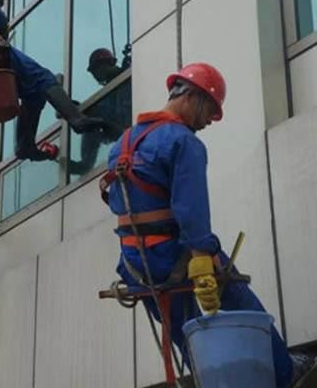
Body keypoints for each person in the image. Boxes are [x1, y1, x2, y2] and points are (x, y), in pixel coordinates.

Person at [101, 62, 309, 387]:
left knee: (188, 334)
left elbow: (119, 201)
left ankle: (216, 381)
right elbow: (191, 210)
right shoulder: (183, 141)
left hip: (134, 263)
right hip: (172, 254)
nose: (210, 121)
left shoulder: (123, 143)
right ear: (191, 96)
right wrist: (202, 259)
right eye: (210, 110)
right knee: (236, 294)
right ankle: (284, 373)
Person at [0, 0, 112, 162]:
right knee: (41, 77)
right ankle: (77, 119)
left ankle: (25, 144)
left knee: (33, 94)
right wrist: (3, 28)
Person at [70, 47, 131, 176]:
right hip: (117, 128)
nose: (95, 76)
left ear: (105, 65)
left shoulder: (124, 80)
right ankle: (84, 164)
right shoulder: (109, 91)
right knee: (90, 123)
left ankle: (85, 165)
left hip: (126, 128)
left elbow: (113, 113)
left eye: (96, 71)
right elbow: (100, 111)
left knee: (93, 121)